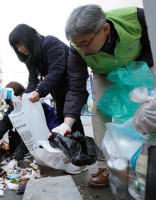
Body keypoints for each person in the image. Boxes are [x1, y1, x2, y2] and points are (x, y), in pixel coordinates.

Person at [57, 4, 155, 188]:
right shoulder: (77, 50)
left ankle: (147, 160)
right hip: (104, 74)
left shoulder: (135, 18)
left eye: (85, 43)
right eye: (77, 44)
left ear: (105, 29)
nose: (82, 49)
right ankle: (106, 166)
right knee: (99, 112)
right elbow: (77, 87)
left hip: (139, 66)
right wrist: (66, 124)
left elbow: (152, 41)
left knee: (150, 108)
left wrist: (140, 67)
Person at [9, 24, 88, 173]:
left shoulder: (50, 43)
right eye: (16, 47)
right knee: (61, 122)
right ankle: (72, 156)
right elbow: (33, 80)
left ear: (28, 38)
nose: (20, 49)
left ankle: (81, 158)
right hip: (57, 91)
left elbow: (57, 70)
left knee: (72, 122)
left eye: (20, 44)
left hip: (72, 86)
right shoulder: (31, 57)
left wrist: (40, 91)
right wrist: (23, 97)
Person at [0, 81, 59, 160]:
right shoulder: (14, 106)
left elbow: (35, 128)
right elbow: (5, 122)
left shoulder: (34, 104)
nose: (13, 105)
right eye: (11, 102)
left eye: (14, 101)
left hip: (49, 133)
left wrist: (24, 147)